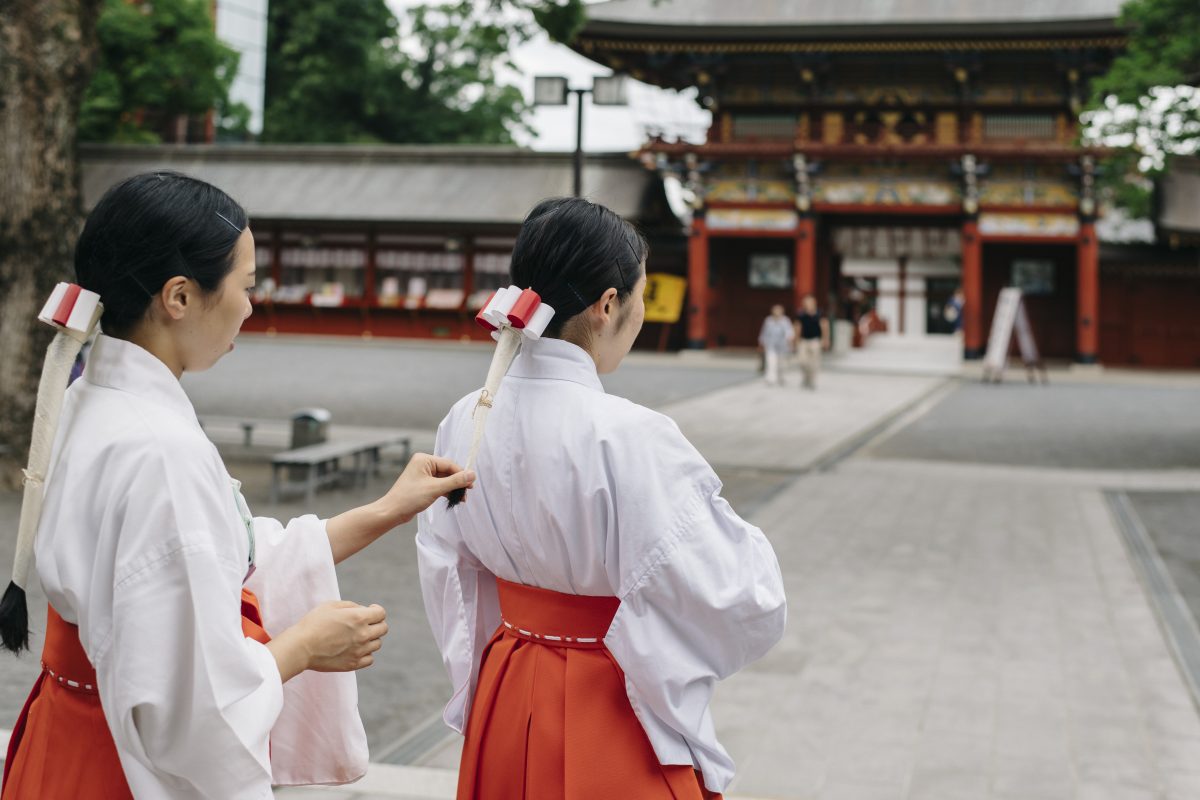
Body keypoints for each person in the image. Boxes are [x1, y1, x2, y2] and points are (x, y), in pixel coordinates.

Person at [0, 172, 475, 799]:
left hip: (68, 737)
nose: (251, 306)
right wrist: (303, 646)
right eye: (244, 286)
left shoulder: (92, 397)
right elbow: (190, 707)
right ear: (179, 296)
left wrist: (389, 508)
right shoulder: (160, 452)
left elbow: (234, 550)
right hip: (116, 763)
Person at [417, 197, 786, 800]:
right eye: (638, 296)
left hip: (508, 686)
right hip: (609, 698)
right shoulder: (631, 435)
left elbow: (446, 567)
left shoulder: (466, 417)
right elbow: (740, 595)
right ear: (608, 304)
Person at [794, 294, 830, 389]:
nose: (808, 305)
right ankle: (805, 378)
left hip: (815, 340)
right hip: (803, 341)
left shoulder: (820, 314)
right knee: (802, 361)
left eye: (810, 302)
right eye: (806, 303)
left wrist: (825, 340)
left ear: (814, 303)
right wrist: (796, 340)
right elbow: (797, 327)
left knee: (814, 363)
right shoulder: (800, 314)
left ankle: (812, 381)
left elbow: (825, 327)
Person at [758, 304, 794, 387]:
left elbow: (789, 332)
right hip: (770, 345)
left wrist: (790, 342)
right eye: (775, 310)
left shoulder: (785, 320)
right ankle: (771, 378)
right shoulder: (768, 320)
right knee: (771, 362)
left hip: (782, 346)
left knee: (781, 363)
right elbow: (764, 332)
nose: (777, 312)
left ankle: (781, 377)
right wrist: (761, 342)